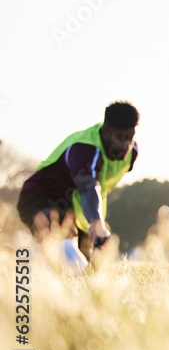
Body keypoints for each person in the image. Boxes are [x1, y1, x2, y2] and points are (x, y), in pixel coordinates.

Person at [17, 101, 140, 264]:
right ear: (104, 133)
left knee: (94, 266)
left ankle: (37, 257)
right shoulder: (84, 149)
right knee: (73, 263)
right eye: (120, 137)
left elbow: (100, 188)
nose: (126, 145)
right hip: (41, 198)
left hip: (75, 207)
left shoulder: (132, 153)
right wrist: (96, 222)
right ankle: (21, 262)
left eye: (130, 137)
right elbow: (89, 187)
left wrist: (94, 224)